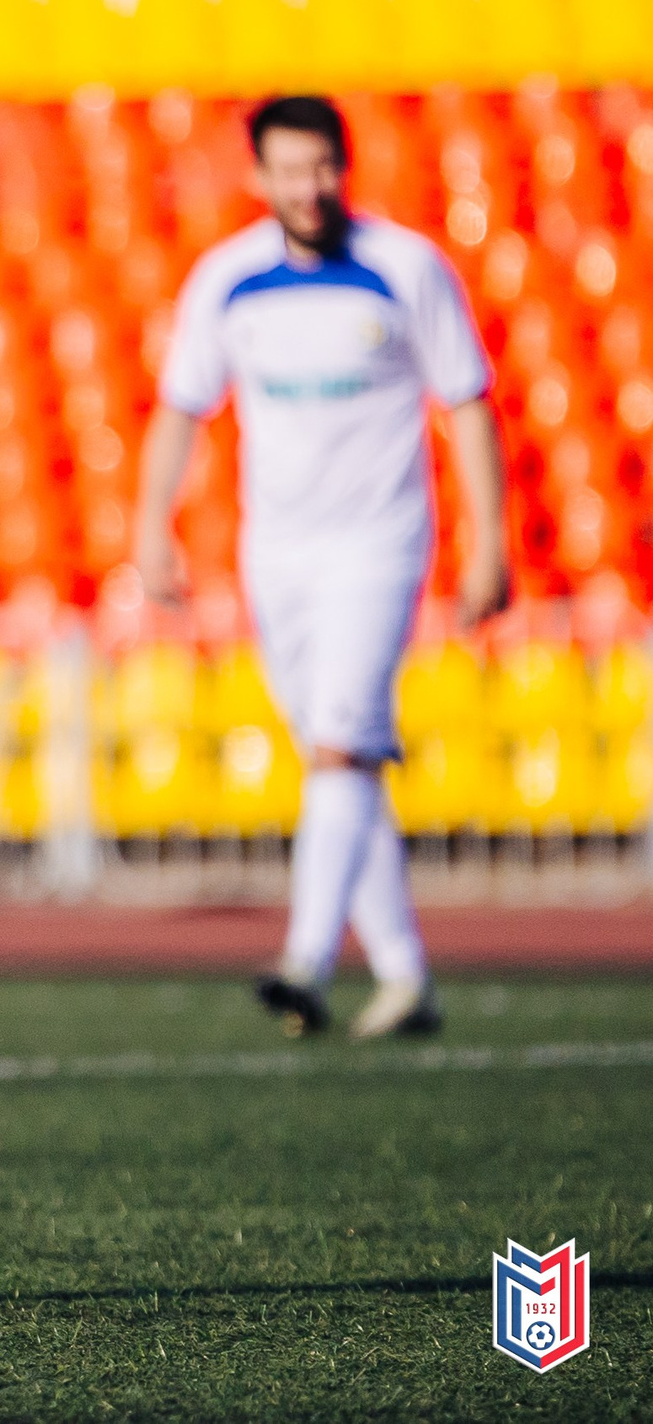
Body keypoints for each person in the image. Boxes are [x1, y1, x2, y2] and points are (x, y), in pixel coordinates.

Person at [133, 94, 507, 1043]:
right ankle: (405, 975)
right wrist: (152, 527)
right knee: (336, 757)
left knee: (342, 743)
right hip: (278, 553)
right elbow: (182, 406)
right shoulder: (228, 281)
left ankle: (305, 959)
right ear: (259, 177)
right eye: (290, 169)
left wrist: (490, 540)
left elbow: (466, 400)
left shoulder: (405, 268)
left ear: (348, 167)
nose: (310, 187)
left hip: (379, 545)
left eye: (324, 167)